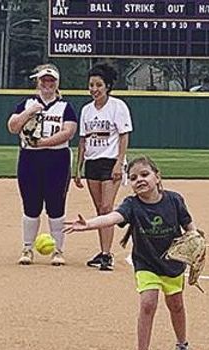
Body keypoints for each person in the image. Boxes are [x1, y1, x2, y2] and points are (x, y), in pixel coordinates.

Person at [64, 156, 197, 350]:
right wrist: (88, 224)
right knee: (148, 303)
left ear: (158, 176)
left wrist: (195, 238)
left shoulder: (174, 200)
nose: (139, 180)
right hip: (146, 263)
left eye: (145, 175)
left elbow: (188, 225)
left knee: (176, 304)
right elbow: (113, 218)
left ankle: (182, 345)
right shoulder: (132, 205)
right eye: (133, 177)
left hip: (172, 264)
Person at [7, 64, 78, 266]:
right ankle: (27, 248)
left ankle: (58, 250)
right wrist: (29, 112)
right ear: (38, 82)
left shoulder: (65, 107)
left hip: (57, 159)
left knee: (56, 205)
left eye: (51, 80)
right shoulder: (27, 103)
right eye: (44, 80)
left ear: (57, 83)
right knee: (31, 204)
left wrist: (42, 143)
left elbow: (68, 131)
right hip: (30, 159)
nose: (47, 84)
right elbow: (12, 126)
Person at [74, 63, 132, 271]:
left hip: (110, 161)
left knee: (107, 207)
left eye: (98, 85)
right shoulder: (86, 110)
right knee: (100, 210)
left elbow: (124, 136)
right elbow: (82, 140)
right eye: (91, 85)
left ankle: (108, 255)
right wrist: (78, 168)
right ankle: (103, 251)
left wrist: (119, 162)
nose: (94, 89)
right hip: (92, 162)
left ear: (107, 86)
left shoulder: (118, 106)